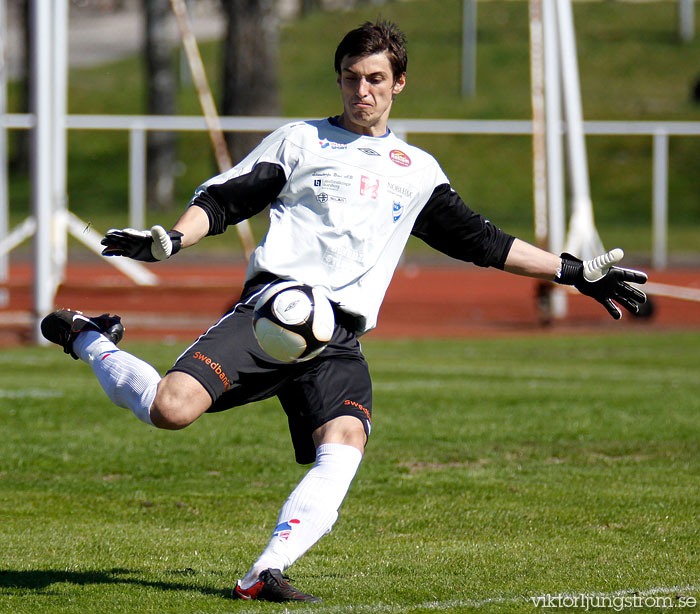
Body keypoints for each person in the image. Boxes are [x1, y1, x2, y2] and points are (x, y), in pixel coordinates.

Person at [41, 20, 648, 603]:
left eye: (376, 79)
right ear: (339, 79)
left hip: (336, 339)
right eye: (352, 77)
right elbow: (227, 198)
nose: (363, 91)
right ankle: (91, 338)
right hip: (271, 317)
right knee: (169, 410)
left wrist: (574, 272)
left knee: (346, 438)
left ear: (399, 83)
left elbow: (484, 242)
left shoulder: (416, 173)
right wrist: (172, 239)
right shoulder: (301, 141)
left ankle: (265, 571)